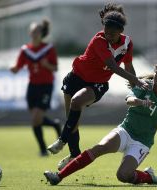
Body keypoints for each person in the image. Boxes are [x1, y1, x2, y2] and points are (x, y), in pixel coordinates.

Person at [43, 58, 157, 186]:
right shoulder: (142, 85)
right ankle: (58, 177)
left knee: (123, 176)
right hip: (125, 130)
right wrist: (138, 101)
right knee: (98, 149)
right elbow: (128, 100)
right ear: (154, 73)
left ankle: (149, 176)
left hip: (142, 142)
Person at [47, 3, 148, 169]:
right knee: (73, 120)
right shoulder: (99, 40)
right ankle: (74, 154)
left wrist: (135, 88)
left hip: (97, 83)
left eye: (113, 33)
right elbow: (114, 67)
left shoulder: (127, 44)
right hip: (75, 78)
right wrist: (137, 81)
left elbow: (128, 66)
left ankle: (62, 140)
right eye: (106, 31)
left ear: (121, 32)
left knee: (76, 102)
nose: (108, 35)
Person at [10, 19, 62, 156]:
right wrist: (14, 69)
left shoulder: (48, 49)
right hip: (32, 87)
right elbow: (18, 66)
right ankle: (55, 125)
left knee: (36, 118)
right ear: (29, 33)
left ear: (42, 33)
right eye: (33, 31)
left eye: (37, 31)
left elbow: (55, 68)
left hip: (46, 86)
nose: (35, 34)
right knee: (35, 118)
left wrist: (47, 65)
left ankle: (43, 149)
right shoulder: (25, 50)